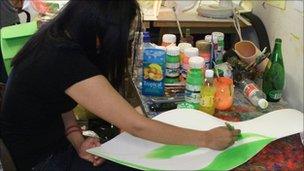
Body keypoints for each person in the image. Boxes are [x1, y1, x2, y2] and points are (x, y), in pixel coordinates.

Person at [0, 1, 240, 170]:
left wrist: (78, 140)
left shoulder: (57, 35)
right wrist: (206, 139)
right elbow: (138, 126)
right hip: (41, 162)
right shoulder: (64, 57)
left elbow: (57, 102)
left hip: (49, 146)